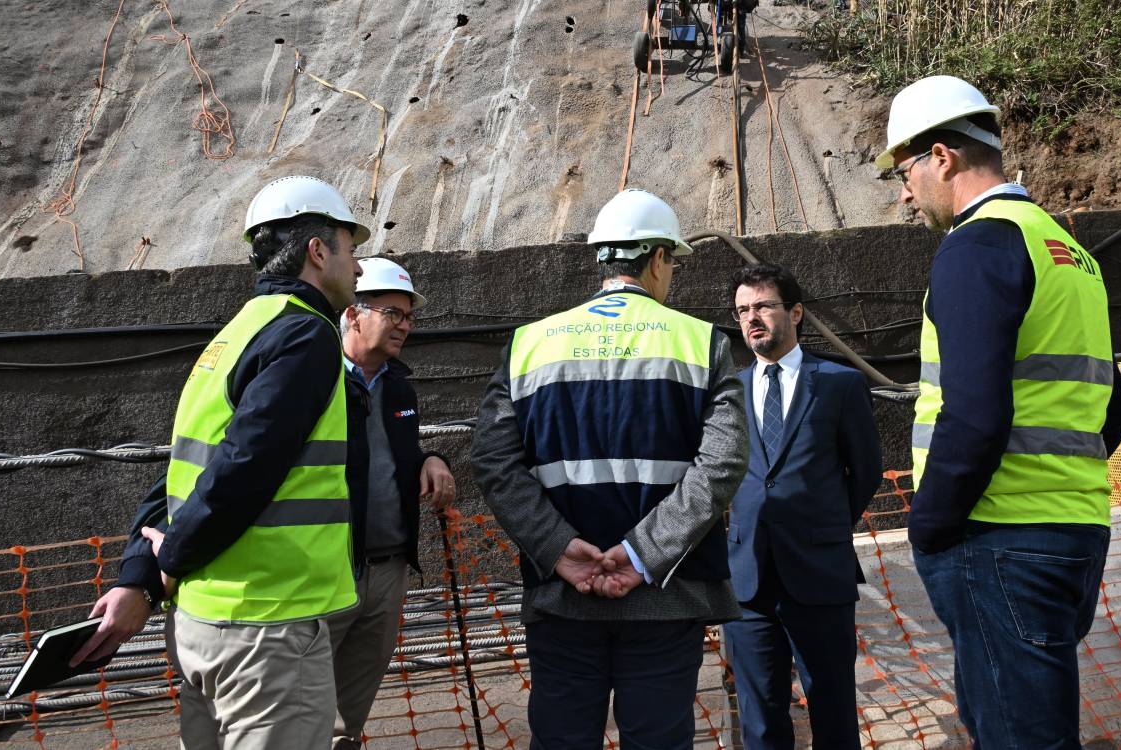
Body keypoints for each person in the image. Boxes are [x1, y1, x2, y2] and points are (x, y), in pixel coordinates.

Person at [875, 76, 1121, 747]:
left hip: (997, 538)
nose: (904, 195)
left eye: (903, 173)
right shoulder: (1068, 252)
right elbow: (1111, 410)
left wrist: (929, 526)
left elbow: (974, 415)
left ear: (941, 157)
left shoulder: (977, 246)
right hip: (1073, 528)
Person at [471, 188, 748, 749]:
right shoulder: (702, 342)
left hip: (562, 596)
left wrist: (556, 547)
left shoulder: (529, 345)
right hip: (667, 597)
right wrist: (643, 553)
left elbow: (493, 460)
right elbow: (723, 462)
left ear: (602, 257)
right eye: (672, 263)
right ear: (658, 258)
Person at [142, 174, 367, 748]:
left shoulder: (236, 334)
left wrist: (158, 565)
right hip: (268, 626)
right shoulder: (306, 334)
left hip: (202, 616)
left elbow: (184, 467)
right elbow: (245, 466)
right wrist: (173, 556)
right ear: (318, 251)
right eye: (351, 249)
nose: (359, 269)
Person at [723, 263, 882, 750]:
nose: (752, 318)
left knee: (833, 711)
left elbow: (866, 472)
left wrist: (822, 528)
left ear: (795, 313)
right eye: (743, 310)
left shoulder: (839, 383)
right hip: (748, 580)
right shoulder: (728, 390)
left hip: (819, 573)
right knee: (760, 718)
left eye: (763, 306)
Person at [328, 257, 457, 750]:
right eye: (392, 313)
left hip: (388, 571)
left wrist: (432, 458)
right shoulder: (316, 380)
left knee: (348, 720)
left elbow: (391, 455)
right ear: (353, 315)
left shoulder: (399, 385)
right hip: (329, 571)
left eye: (408, 316)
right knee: (300, 712)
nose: (404, 325)